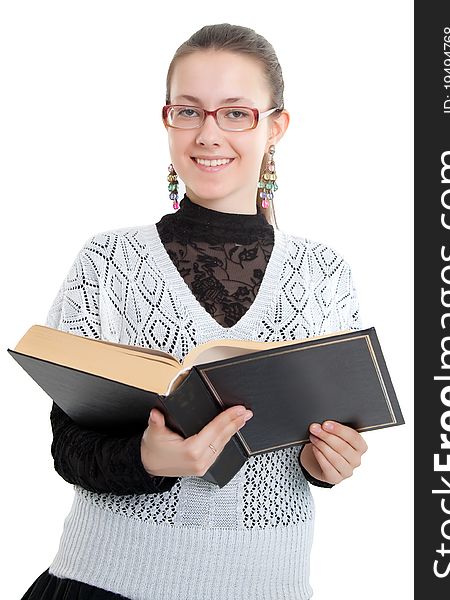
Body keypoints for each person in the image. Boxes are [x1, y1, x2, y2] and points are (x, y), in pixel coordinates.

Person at [21, 23, 368, 600]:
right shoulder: (108, 261)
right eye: (189, 111)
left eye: (236, 113)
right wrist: (144, 458)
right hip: (105, 584)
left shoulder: (324, 274)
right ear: (167, 120)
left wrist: (328, 462)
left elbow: (325, 441)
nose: (209, 134)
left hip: (270, 586)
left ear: (275, 126)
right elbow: (67, 447)